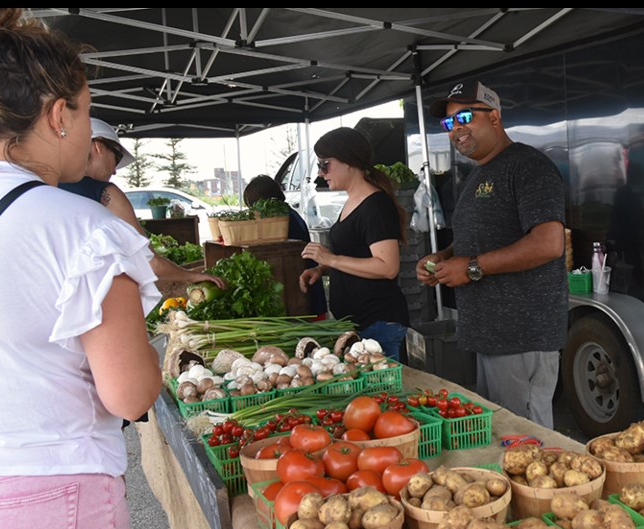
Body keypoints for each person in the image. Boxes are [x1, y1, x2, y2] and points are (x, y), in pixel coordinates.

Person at [0, 8, 162, 529]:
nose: (89, 133)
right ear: (58, 114)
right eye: (86, 113)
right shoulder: (82, 229)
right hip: (45, 496)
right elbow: (131, 394)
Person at [58, 118, 187, 529]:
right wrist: (190, 278)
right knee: (98, 461)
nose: (114, 169)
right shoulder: (99, 203)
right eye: (114, 156)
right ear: (94, 145)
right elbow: (131, 395)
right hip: (81, 386)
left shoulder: (23, 203)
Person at [416, 79, 568, 429]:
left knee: (527, 440)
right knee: (502, 438)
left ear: (495, 118)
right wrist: (444, 256)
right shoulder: (480, 173)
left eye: (465, 116)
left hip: (521, 336)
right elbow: (479, 239)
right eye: (449, 123)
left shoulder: (528, 166)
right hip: (490, 335)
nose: (457, 129)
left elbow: (549, 243)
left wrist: (469, 267)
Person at [59, 118, 226, 292]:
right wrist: (193, 276)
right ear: (98, 147)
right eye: (116, 158)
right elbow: (150, 263)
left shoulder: (48, 189)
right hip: (96, 301)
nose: (115, 170)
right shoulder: (106, 193)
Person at [299, 127, 410, 360]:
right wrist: (322, 268)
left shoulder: (375, 205)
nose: (320, 173)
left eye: (324, 164)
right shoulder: (353, 201)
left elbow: (387, 267)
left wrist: (332, 259)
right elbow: (358, 255)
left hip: (378, 324)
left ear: (347, 161)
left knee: (382, 395)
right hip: (359, 325)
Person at [243, 174, 328, 318]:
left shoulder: (281, 219)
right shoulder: (288, 214)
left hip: (302, 286)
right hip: (304, 284)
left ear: (264, 202)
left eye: (253, 206)